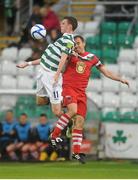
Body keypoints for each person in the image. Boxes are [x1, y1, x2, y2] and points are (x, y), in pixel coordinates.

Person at [50, 35, 130, 163]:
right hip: (69, 88)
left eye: (78, 43)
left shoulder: (92, 58)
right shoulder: (69, 55)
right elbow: (62, 69)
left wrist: (120, 79)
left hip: (81, 93)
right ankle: (54, 135)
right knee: (73, 110)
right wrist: (66, 58)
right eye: (74, 44)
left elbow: (106, 72)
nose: (76, 45)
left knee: (80, 122)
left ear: (84, 43)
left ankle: (76, 153)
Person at [17, 16, 78, 118]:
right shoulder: (61, 40)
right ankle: (59, 99)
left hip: (52, 76)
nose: (60, 25)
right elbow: (45, 59)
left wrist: (56, 75)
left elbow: (63, 58)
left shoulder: (69, 41)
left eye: (63, 23)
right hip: (42, 73)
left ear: (69, 26)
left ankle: (70, 121)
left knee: (57, 112)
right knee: (40, 101)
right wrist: (27, 64)